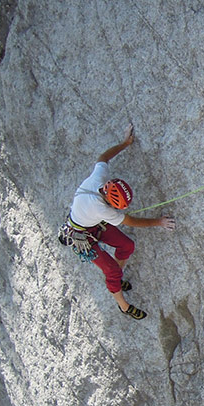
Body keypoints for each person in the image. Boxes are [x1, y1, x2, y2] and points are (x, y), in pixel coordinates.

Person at [65, 124, 175, 320]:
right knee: (112, 271)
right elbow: (131, 221)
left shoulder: (99, 179)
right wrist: (159, 222)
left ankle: (116, 278)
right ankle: (123, 306)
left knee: (127, 245)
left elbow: (103, 158)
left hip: (91, 225)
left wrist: (125, 143)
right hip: (82, 237)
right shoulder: (100, 208)